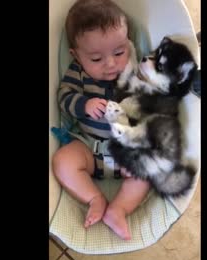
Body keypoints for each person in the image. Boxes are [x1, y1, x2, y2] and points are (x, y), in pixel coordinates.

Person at [51, 0, 150, 241]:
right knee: (63, 160)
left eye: (119, 52)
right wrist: (84, 104)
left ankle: (118, 209)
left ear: (128, 42)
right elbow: (63, 96)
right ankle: (95, 198)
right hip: (87, 146)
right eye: (96, 59)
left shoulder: (133, 71)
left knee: (148, 168)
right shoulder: (78, 73)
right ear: (76, 55)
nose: (111, 64)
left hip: (125, 150)